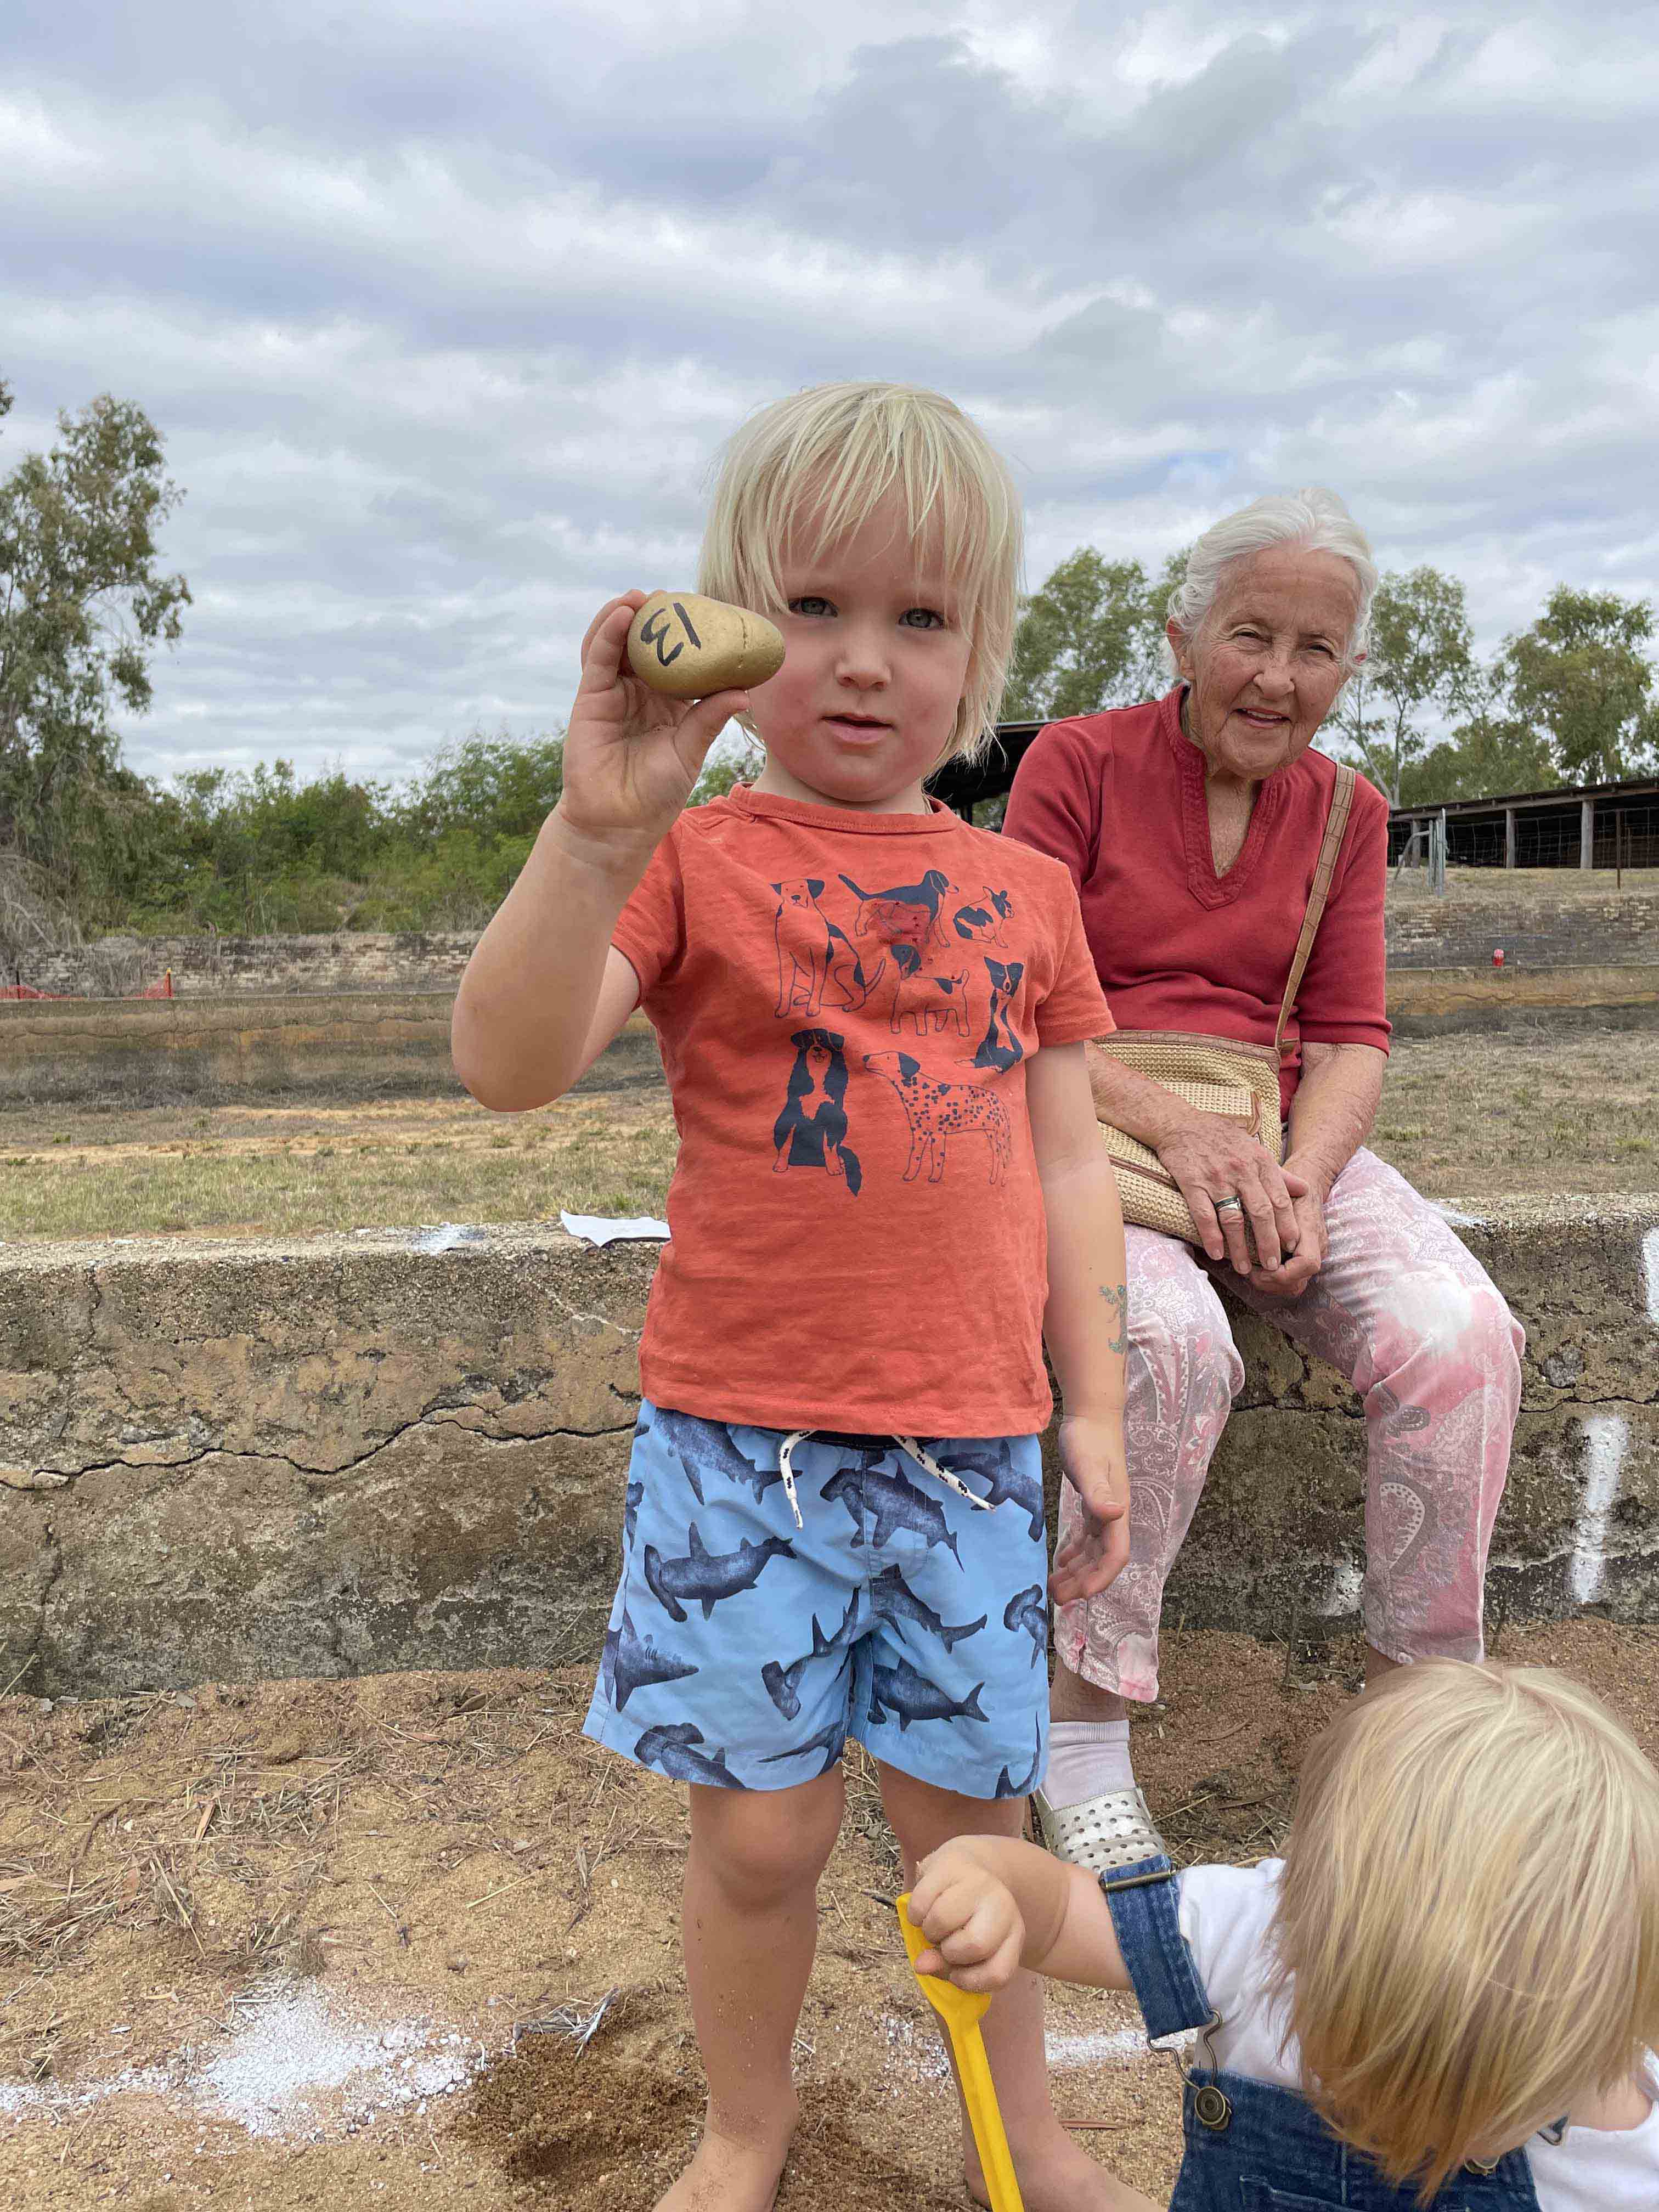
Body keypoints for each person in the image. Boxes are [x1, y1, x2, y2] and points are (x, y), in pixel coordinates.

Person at [452, 381, 1150, 2212]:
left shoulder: (1025, 889)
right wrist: (595, 831)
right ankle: (745, 2126)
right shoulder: (685, 857)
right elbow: (507, 1062)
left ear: (981, 649)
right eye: (814, 609)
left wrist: (1093, 1406)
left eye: (919, 620)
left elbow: (1068, 1163)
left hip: (968, 1448)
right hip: (736, 1444)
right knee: (762, 1840)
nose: (862, 663)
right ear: (735, 628)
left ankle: (1034, 2139)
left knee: (968, 1842)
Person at [1001, 489, 1525, 1872]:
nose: (1281, 678)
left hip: (1273, 1129)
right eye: (1251, 635)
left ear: (1351, 671)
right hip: (1088, 1115)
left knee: (1459, 1340)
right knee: (1166, 1344)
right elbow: (1011, 999)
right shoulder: (1074, 763)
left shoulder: (1350, 808)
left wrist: (1295, 1179)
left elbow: (1352, 1035)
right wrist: (1179, 1132)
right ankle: (1084, 1726)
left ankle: (1419, 1724)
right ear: (1182, 637)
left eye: (1318, 651)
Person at [907, 1660, 1659, 2209]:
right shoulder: (1265, 1932)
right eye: (1363, 2053)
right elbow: (1070, 1914)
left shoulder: (1624, 2162)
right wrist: (995, 1880)